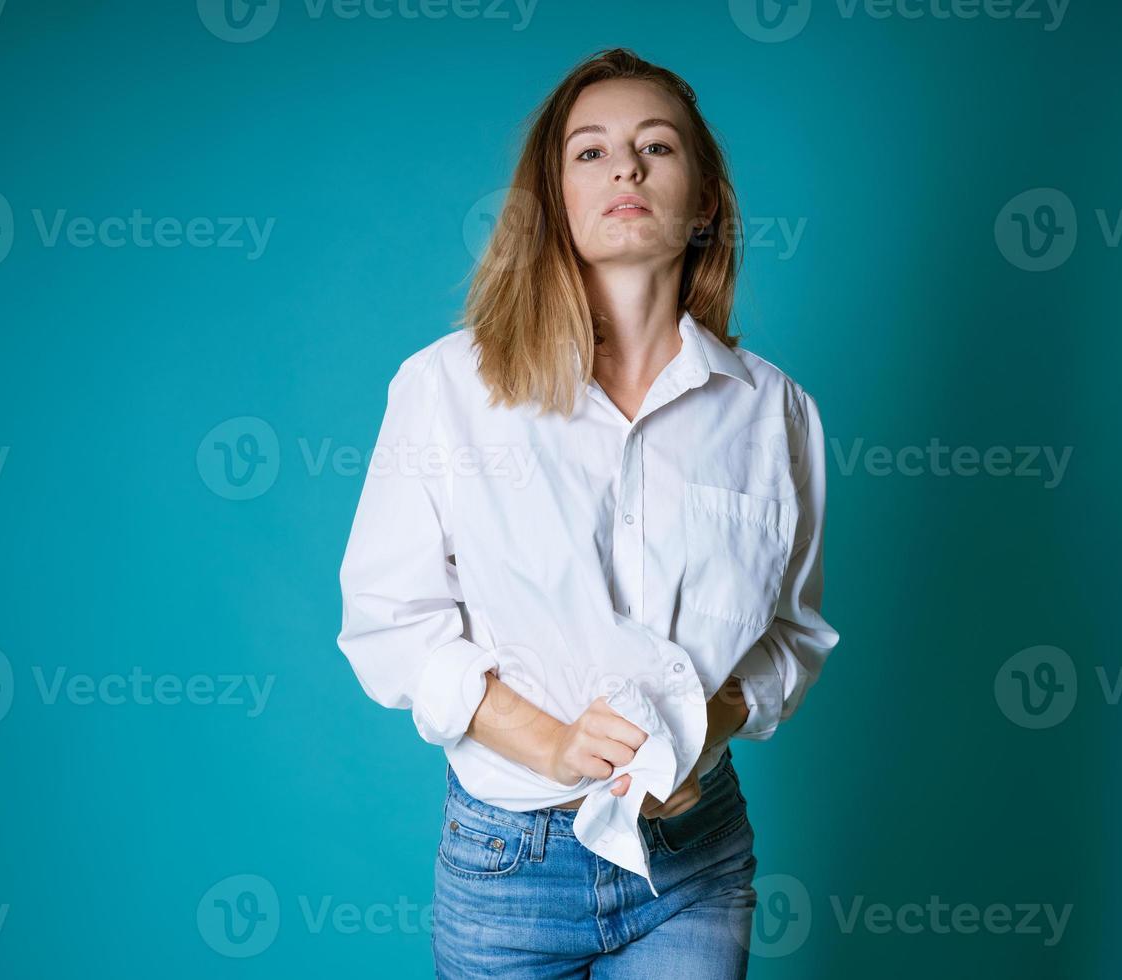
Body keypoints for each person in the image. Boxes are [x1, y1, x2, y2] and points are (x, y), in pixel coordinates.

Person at [337, 46, 840, 979]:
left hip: (694, 859)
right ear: (554, 199)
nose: (627, 168)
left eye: (657, 147)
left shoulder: (776, 414)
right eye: (591, 152)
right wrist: (555, 743)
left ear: (704, 202)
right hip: (509, 864)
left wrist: (705, 726)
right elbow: (390, 625)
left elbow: (792, 636)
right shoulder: (448, 388)